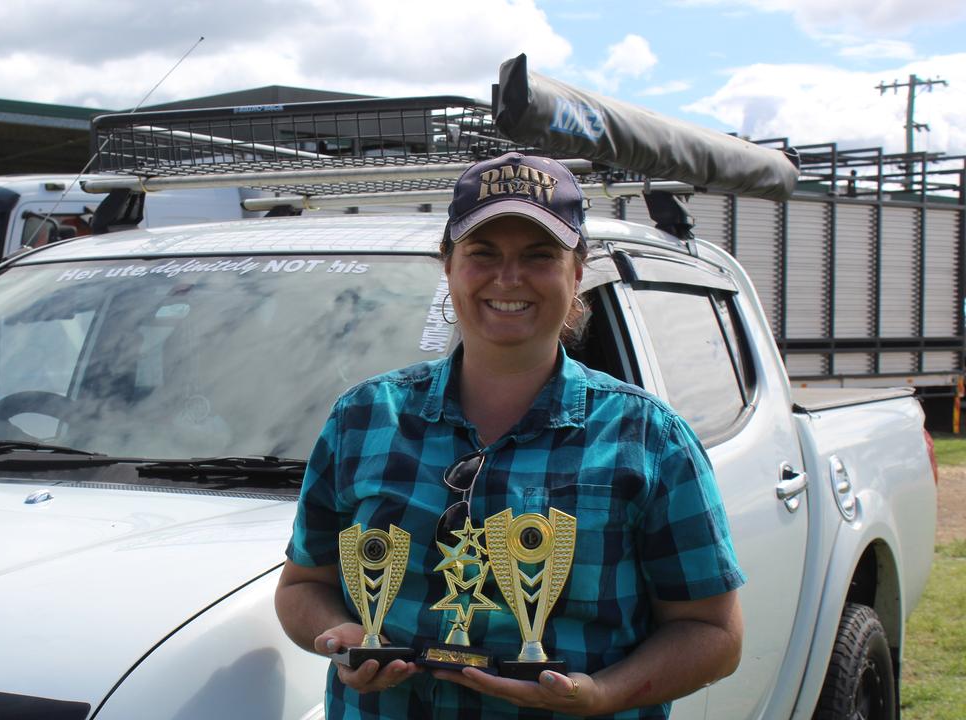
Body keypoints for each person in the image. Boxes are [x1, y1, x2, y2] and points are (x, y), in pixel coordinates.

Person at [275, 152, 745, 719]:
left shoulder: (649, 439)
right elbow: (302, 586)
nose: (508, 278)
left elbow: (714, 633)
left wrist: (606, 694)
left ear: (577, 272)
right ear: (447, 265)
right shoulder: (363, 418)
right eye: (483, 254)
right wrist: (343, 634)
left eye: (539, 256)